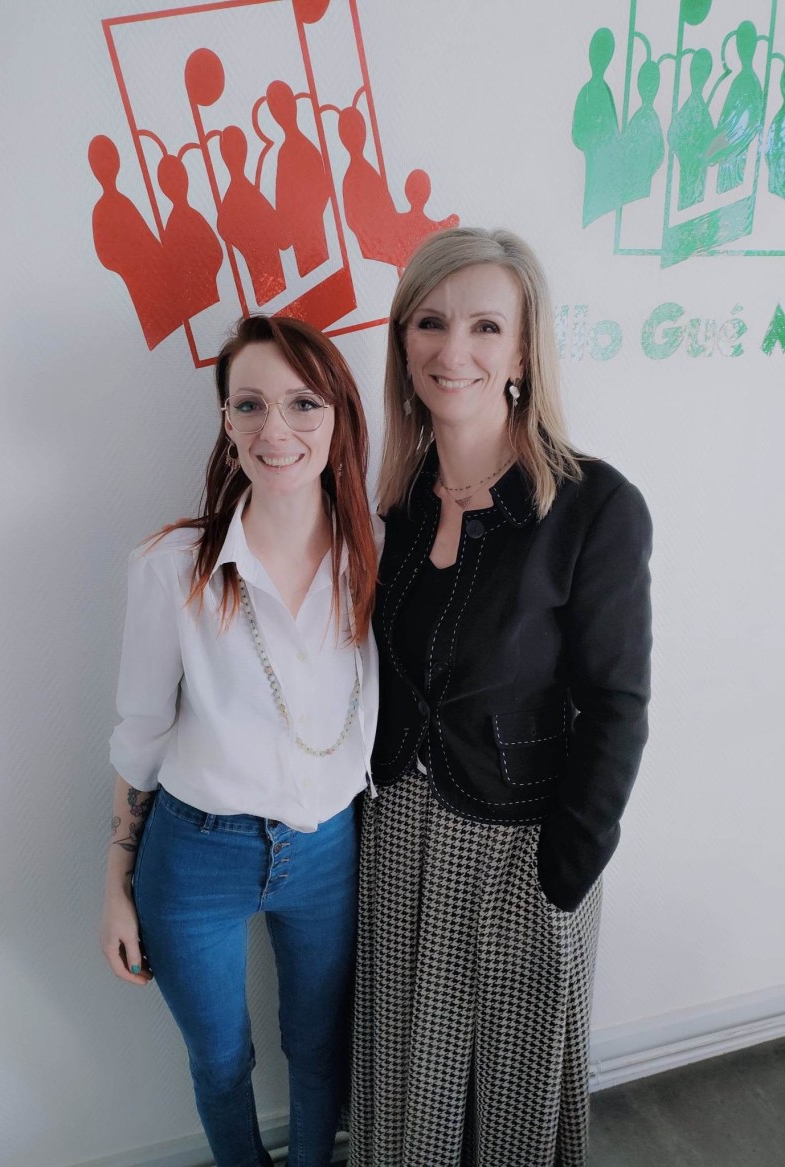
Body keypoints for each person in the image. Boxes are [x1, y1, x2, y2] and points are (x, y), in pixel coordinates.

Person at [349, 227, 652, 1167]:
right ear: (403, 343)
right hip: (396, 838)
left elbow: (617, 703)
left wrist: (565, 870)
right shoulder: (396, 500)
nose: (455, 349)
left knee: (508, 1098)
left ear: (523, 352)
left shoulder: (594, 504)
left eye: (486, 326)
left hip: (520, 843)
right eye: (430, 322)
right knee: (411, 1078)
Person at [101, 314, 379, 1167]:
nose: (275, 429)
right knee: (221, 1061)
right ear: (226, 421)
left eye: (303, 403)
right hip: (195, 854)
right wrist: (115, 884)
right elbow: (140, 734)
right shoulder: (172, 566)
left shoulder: (378, 555)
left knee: (320, 1049)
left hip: (328, 849)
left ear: (337, 415)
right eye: (249, 404)